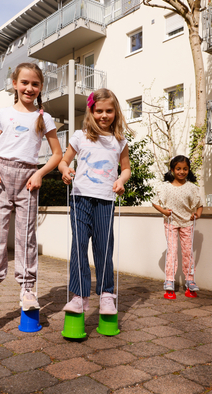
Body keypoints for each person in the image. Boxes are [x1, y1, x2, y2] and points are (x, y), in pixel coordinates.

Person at [0, 63, 62, 311]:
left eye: (34, 84)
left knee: (26, 237)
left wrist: (40, 173)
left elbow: (56, 154)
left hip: (28, 179)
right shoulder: (2, 114)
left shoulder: (44, 118)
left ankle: (28, 290)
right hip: (1, 174)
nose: (29, 88)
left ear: (41, 87)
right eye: (24, 83)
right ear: (14, 84)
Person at [58, 88, 132, 315]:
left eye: (109, 111)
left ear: (115, 112)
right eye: (99, 110)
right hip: (80, 198)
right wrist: (65, 169)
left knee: (103, 248)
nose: (104, 115)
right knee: (78, 246)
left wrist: (121, 180)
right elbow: (63, 161)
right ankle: (79, 296)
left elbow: (127, 169)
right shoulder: (80, 137)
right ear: (91, 111)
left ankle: (107, 295)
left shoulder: (119, 141)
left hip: (106, 201)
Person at [152, 155, 203, 296]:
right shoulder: (165, 187)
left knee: (188, 253)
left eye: (185, 169)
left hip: (187, 223)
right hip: (171, 222)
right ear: (172, 170)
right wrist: (164, 212)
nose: (182, 172)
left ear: (189, 170)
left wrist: (197, 215)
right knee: (172, 251)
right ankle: (169, 280)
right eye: (178, 169)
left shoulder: (192, 188)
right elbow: (155, 202)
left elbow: (200, 206)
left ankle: (190, 280)